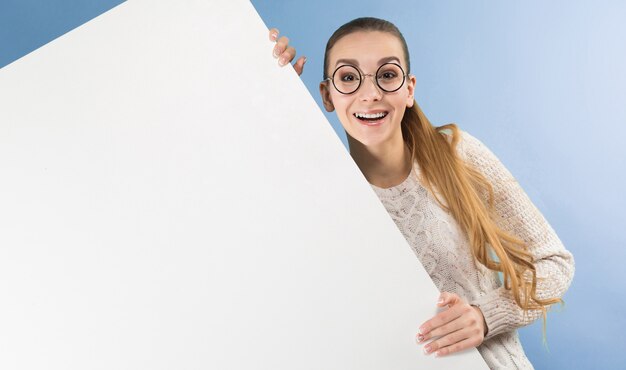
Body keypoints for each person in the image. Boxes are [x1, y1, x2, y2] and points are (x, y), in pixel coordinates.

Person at [268, 17, 574, 369]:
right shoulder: (322, 195)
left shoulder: (456, 155)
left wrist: (486, 316)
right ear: (327, 95)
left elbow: (553, 263)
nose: (370, 94)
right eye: (348, 78)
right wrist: (272, 92)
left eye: (387, 75)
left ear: (409, 89)